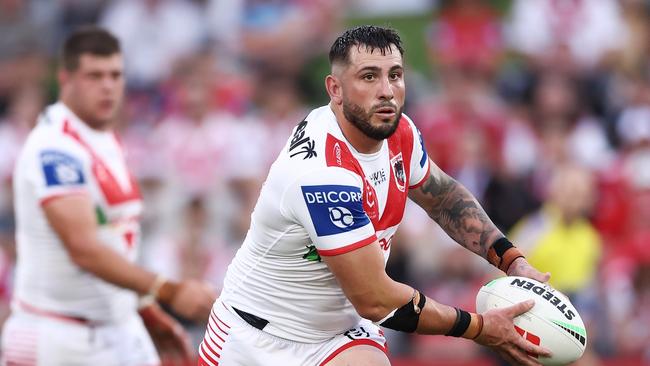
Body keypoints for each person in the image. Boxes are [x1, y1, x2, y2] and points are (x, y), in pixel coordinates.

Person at [198, 25, 552, 366]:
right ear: (335, 89)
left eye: (395, 75)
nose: (387, 90)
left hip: (337, 335)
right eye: (369, 77)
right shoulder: (323, 174)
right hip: (254, 339)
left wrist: (511, 260)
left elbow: (442, 196)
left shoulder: (399, 131)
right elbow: (376, 299)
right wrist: (479, 327)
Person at [0, 26, 216, 365]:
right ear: (65, 79)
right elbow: (84, 249)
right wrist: (167, 291)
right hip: (58, 335)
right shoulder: (55, 147)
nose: (107, 86)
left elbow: (114, 239)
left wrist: (143, 307)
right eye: (94, 76)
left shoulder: (104, 139)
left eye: (115, 75)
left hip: (114, 327)